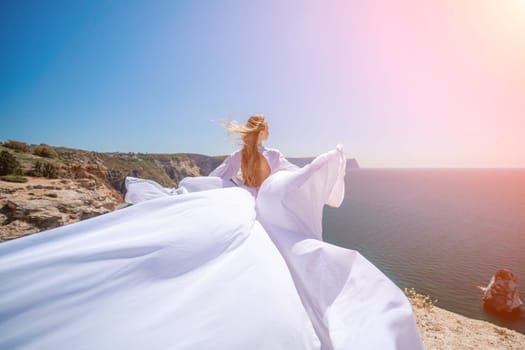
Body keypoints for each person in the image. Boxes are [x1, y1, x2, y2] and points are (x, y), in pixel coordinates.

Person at [0, 116, 424, 349]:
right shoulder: (272, 155)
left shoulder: (236, 155)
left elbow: (216, 178)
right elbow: (291, 180)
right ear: (267, 134)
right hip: (254, 211)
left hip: (231, 202)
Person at [209, 115, 298, 196]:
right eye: (268, 129)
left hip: (245, 200)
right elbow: (294, 172)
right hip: (266, 199)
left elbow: (214, 177)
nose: (269, 132)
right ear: (261, 132)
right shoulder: (274, 154)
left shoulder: (237, 155)